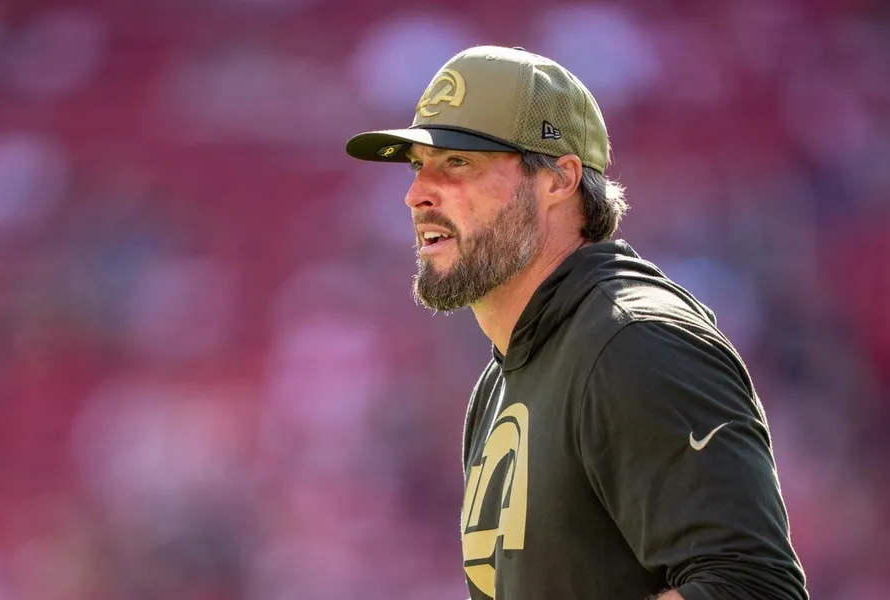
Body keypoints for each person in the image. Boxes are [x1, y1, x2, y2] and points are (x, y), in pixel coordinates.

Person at [345, 45, 808, 600]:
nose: (416, 194)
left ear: (559, 180)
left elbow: (755, 586)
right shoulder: (506, 375)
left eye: (458, 163)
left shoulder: (635, 343)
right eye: (419, 166)